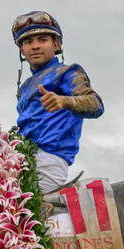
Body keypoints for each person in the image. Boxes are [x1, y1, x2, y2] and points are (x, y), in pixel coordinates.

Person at [12, 11, 104, 194]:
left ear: (56, 44)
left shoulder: (67, 72)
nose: (35, 46)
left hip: (50, 160)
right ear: (22, 50)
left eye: (42, 39)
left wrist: (65, 101)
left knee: (14, 207)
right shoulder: (24, 87)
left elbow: (96, 105)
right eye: (28, 42)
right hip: (23, 159)